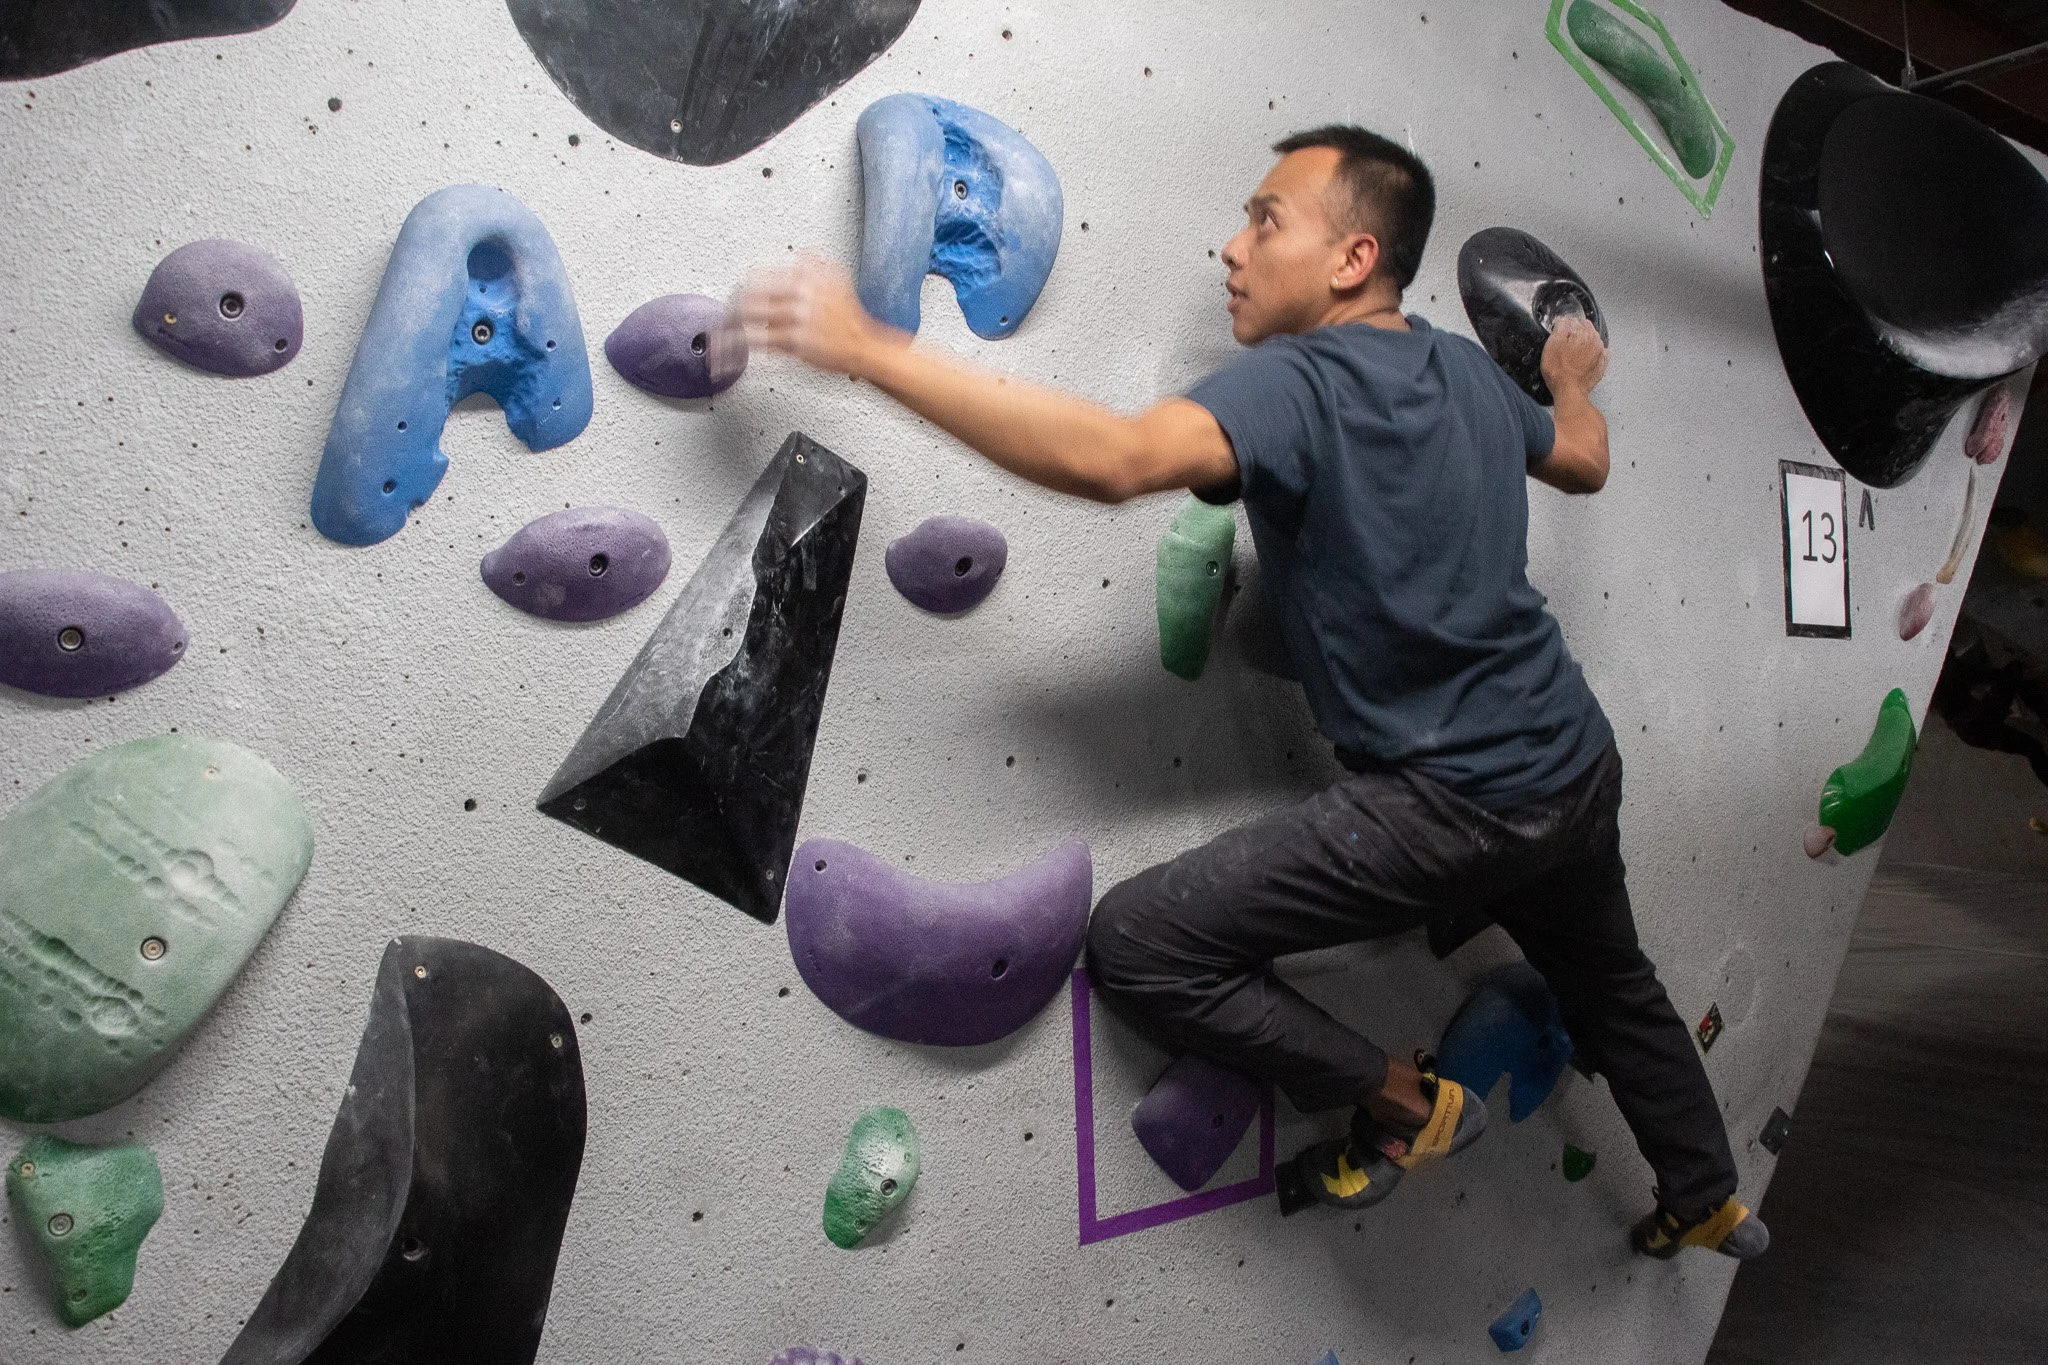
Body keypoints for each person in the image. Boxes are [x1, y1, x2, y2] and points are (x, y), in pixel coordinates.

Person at [741, 124, 1765, 1260]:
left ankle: (1402, 1102)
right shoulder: (1469, 374)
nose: (1233, 247)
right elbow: (1583, 458)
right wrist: (1570, 381)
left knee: (1140, 944)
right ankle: (1707, 1193)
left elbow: (1116, 461)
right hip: (1571, 763)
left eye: (1266, 220)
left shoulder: (1298, 381)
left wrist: (870, 352)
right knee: (1613, 983)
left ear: (1353, 259)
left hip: (1451, 806)